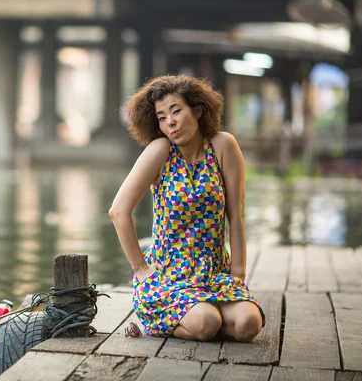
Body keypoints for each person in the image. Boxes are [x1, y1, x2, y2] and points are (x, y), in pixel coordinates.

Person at [109, 74, 265, 342]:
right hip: (169, 277)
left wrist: (237, 275)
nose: (169, 122)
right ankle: (156, 319)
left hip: (215, 273)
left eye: (176, 110)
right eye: (161, 117)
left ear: (198, 110)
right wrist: (141, 269)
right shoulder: (160, 151)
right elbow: (118, 211)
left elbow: (236, 215)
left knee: (249, 324)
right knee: (206, 322)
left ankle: (199, 319)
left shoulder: (223, 146)